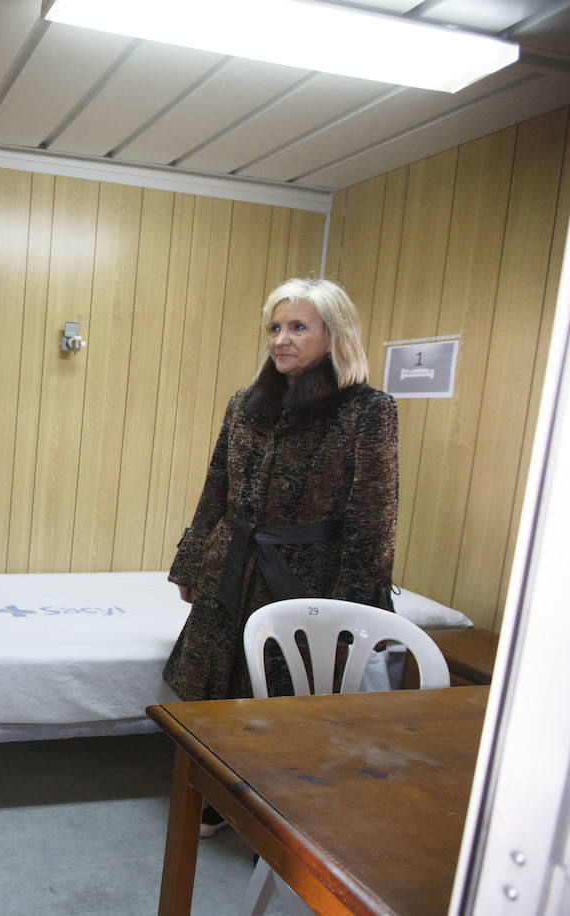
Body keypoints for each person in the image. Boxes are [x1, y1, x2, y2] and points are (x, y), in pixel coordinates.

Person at [164, 278, 398, 830]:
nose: (281, 339)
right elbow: (216, 487)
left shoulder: (367, 410)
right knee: (214, 687)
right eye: (275, 327)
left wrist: (359, 607)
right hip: (231, 564)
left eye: (298, 327)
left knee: (286, 698)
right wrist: (193, 562)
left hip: (306, 576)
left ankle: (277, 817)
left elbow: (374, 514)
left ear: (333, 335)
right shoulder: (245, 403)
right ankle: (216, 795)